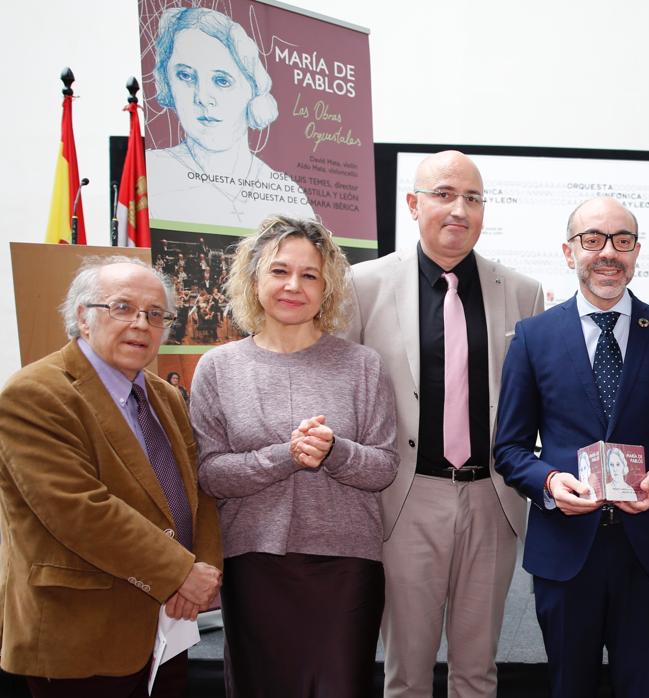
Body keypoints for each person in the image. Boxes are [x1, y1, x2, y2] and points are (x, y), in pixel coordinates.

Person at [343, 150, 544, 698]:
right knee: (406, 672)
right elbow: (346, 392)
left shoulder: (522, 293)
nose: (460, 209)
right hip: (407, 497)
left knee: (477, 670)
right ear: (413, 204)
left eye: (473, 199)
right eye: (445, 194)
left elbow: (533, 401)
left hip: (493, 497)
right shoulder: (362, 286)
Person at [494, 196, 649, 697]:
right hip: (565, 550)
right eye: (593, 240)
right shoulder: (533, 337)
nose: (608, 252)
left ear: (635, 252)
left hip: (646, 550)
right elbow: (510, 448)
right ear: (569, 253)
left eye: (621, 241)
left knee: (643, 684)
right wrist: (548, 482)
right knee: (570, 686)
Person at [191, 216, 399, 696]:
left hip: (346, 569)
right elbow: (211, 474)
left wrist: (334, 451)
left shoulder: (362, 365)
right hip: (255, 565)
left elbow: (383, 468)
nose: (293, 286)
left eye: (310, 275)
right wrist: (285, 455)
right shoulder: (218, 367)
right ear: (254, 278)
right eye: (279, 271)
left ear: (327, 289)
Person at [0, 256, 223, 697]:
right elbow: (79, 511)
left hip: (168, 628)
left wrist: (205, 570)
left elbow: (201, 488)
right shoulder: (34, 395)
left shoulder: (164, 395)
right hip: (81, 635)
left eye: (155, 314)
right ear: (83, 317)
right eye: (122, 308)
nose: (140, 324)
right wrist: (179, 571)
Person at [146, 6, 314, 229]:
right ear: (167, 82)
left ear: (252, 88)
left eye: (222, 80)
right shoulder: (154, 174)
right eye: (185, 76)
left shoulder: (287, 194)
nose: (203, 97)